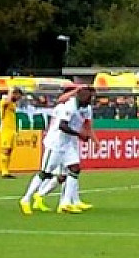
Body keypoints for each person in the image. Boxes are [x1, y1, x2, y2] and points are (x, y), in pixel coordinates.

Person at [19, 86, 97, 215]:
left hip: (67, 144)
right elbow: (62, 126)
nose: (91, 101)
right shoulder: (69, 106)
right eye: (90, 98)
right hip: (55, 143)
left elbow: (86, 125)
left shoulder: (84, 108)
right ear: (83, 97)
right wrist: (79, 134)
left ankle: (66, 203)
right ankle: (26, 199)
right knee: (45, 173)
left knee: (75, 169)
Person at [0, 87, 23, 179]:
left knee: (9, 150)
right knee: (5, 149)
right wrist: (11, 91)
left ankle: (6, 171)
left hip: (12, 130)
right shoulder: (4, 101)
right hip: (6, 129)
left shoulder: (13, 104)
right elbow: (7, 101)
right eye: (18, 96)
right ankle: (4, 172)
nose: (19, 98)